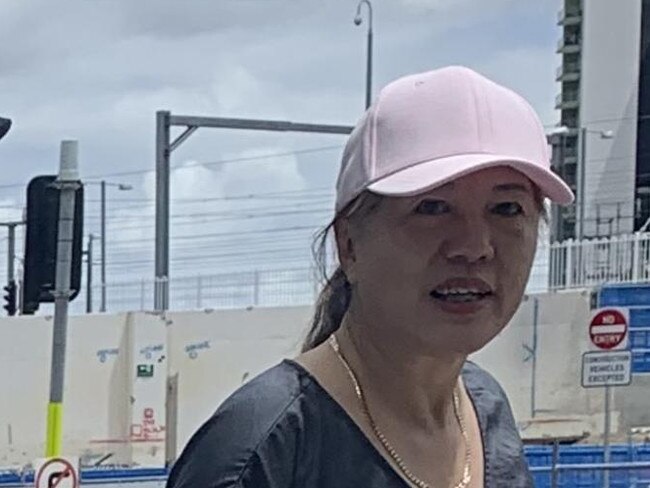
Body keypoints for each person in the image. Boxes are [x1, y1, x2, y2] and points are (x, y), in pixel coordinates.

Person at [166, 66, 574, 488]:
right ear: (350, 244)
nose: (474, 246)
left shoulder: (488, 414)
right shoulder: (263, 451)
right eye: (432, 208)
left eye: (506, 209)